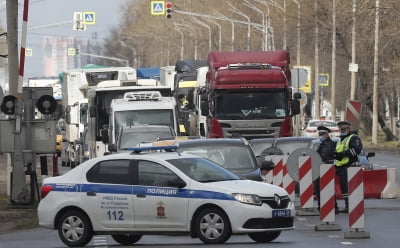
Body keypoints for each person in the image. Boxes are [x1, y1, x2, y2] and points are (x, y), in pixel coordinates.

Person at [334, 121, 363, 213]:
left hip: (350, 166)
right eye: (341, 129)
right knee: (344, 187)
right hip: (340, 167)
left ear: (348, 129)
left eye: (344, 129)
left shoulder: (353, 138)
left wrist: (343, 154)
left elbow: (356, 150)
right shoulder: (340, 140)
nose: (342, 131)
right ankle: (347, 204)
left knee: (349, 187)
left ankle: (351, 205)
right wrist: (337, 155)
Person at [315, 126, 337, 213]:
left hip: (326, 168)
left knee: (326, 188)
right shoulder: (322, 144)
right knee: (320, 188)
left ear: (326, 134)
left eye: (321, 134)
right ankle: (323, 206)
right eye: (319, 134)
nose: (320, 136)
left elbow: (324, 156)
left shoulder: (329, 144)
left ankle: (331, 207)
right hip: (322, 168)